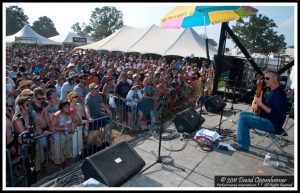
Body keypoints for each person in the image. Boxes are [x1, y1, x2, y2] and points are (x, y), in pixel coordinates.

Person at [233, 70, 288, 151]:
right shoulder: (273, 91)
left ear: (275, 78)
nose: (265, 80)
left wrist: (260, 104)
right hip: (268, 119)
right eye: (264, 78)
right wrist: (258, 107)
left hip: (273, 124)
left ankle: (243, 145)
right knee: (242, 114)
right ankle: (242, 138)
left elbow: (274, 114)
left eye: (267, 78)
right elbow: (268, 108)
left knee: (243, 119)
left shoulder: (278, 94)